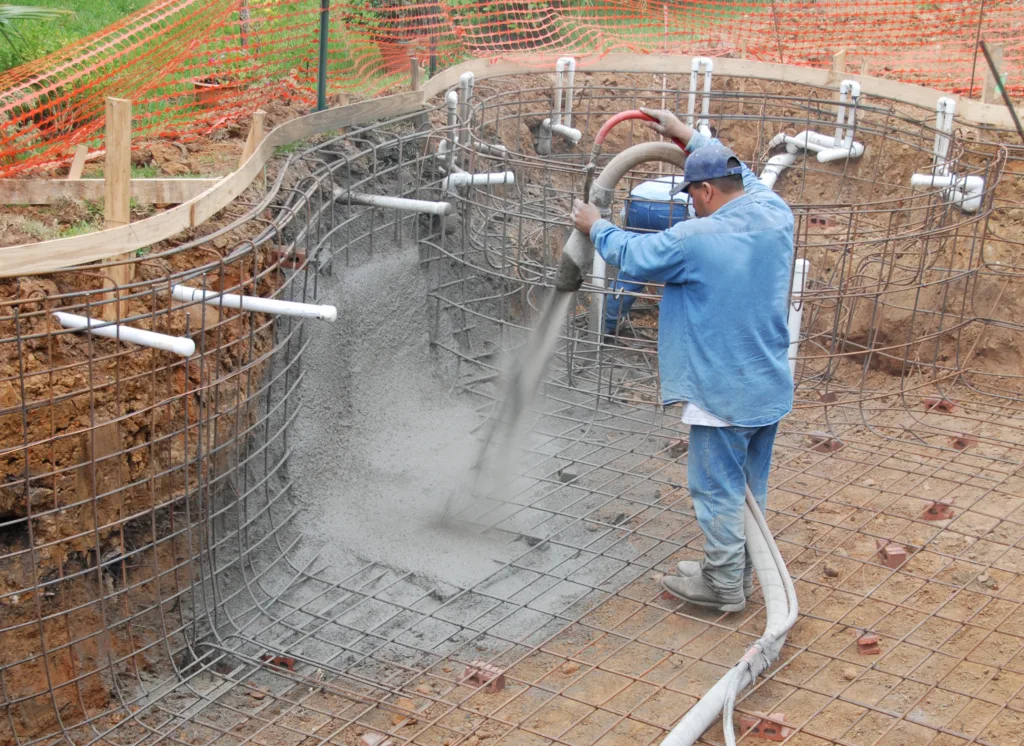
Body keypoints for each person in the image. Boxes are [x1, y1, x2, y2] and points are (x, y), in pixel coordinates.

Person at [570, 108, 795, 613]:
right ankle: (737, 568)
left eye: (691, 194)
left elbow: (636, 254)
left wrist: (596, 225)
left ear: (708, 192)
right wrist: (689, 138)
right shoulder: (774, 210)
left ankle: (722, 586)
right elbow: (749, 176)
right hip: (767, 384)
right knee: (748, 491)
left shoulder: (698, 240)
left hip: (721, 391)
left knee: (715, 489)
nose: (690, 205)